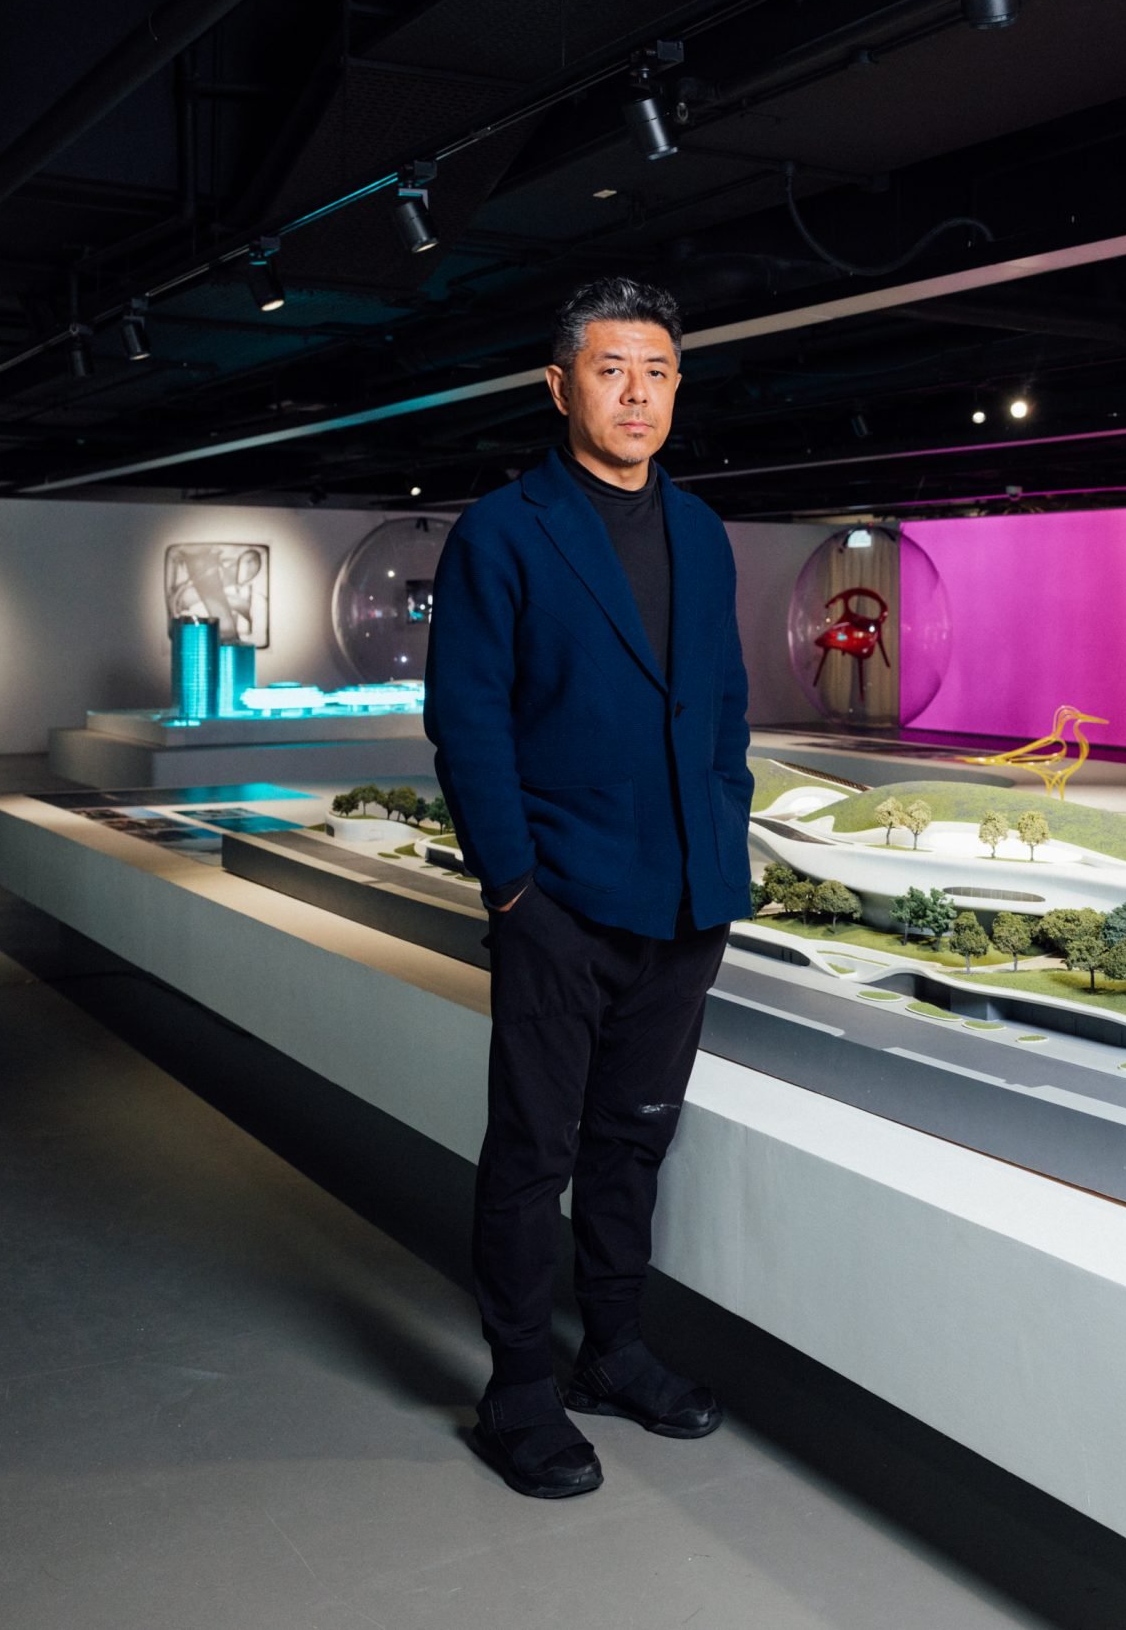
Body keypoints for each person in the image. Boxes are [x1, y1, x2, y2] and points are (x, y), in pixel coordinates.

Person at [425, 276, 756, 1499]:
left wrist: (722, 838)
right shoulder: (503, 531)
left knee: (634, 1143)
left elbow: (720, 707)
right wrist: (514, 888)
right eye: (612, 369)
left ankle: (612, 1352)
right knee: (532, 1151)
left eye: (658, 371)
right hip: (558, 902)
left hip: (685, 903)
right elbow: (467, 721)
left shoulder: (704, 531)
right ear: (559, 385)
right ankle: (516, 1388)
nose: (637, 392)